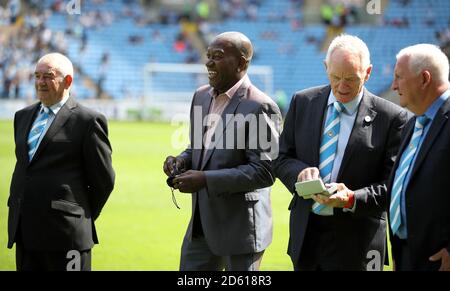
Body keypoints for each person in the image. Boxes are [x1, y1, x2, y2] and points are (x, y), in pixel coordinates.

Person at [273, 34, 409, 271]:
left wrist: (351, 199)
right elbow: (282, 158)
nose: (342, 86)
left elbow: (394, 185)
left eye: (351, 79)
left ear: (367, 73)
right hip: (306, 238)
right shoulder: (302, 102)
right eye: (335, 77)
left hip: (359, 245)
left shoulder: (392, 118)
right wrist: (301, 173)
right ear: (326, 67)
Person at [163, 31, 282, 271]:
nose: (208, 62)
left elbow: (264, 172)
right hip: (201, 226)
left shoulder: (261, 106)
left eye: (217, 56)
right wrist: (182, 160)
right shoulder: (200, 97)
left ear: (241, 63)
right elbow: (199, 148)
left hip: (241, 231)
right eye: (208, 56)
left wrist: (205, 179)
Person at [7, 53, 115, 271]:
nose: (40, 82)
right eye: (37, 76)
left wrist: (78, 213)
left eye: (48, 76)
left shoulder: (88, 121)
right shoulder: (22, 117)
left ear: (67, 81)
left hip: (67, 236)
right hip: (25, 231)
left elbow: (104, 181)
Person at [388, 44, 450, 271]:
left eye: (399, 78)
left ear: (424, 79)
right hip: (407, 255)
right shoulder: (413, 123)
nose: (393, 86)